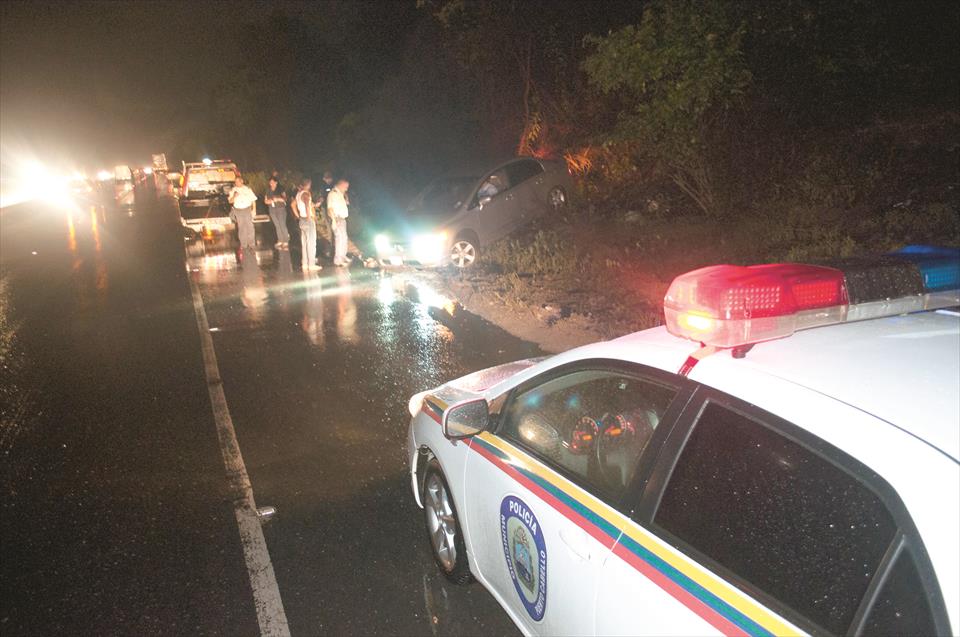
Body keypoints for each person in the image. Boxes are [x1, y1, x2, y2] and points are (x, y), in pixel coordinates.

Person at [293, 178, 322, 271]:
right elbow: (306, 205)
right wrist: (310, 217)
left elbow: (293, 204)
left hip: (302, 219)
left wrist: (298, 215)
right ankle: (311, 264)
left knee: (304, 243)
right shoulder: (306, 194)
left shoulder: (298, 194)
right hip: (307, 220)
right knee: (311, 243)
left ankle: (305, 263)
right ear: (308, 185)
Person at [228, 176, 258, 248]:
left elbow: (253, 200)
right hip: (238, 210)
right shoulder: (233, 190)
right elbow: (230, 201)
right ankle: (243, 244)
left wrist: (254, 210)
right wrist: (234, 196)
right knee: (241, 227)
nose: (236, 183)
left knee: (250, 226)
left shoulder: (248, 189)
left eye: (238, 181)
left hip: (247, 209)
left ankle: (251, 244)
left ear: (242, 181)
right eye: (235, 182)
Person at [327, 178, 350, 266]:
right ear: (341, 185)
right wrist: (333, 220)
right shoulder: (333, 194)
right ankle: (338, 260)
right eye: (345, 187)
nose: (346, 189)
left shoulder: (340, 194)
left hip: (342, 219)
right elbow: (330, 208)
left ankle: (343, 256)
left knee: (344, 238)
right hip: (337, 218)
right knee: (339, 239)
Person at [265, 176, 289, 248]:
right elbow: (266, 201)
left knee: (282, 224)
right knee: (277, 225)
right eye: (270, 182)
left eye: (273, 182)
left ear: (276, 182)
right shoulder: (268, 190)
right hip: (272, 209)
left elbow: (285, 199)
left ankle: (286, 240)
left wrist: (278, 199)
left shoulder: (280, 189)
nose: (271, 184)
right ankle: (280, 240)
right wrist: (271, 201)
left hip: (280, 209)